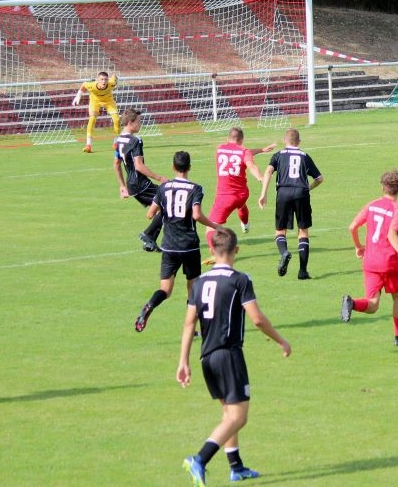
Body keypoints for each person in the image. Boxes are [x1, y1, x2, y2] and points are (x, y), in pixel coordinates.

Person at [178, 227, 291, 486]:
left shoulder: (199, 283)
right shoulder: (240, 280)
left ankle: (236, 467)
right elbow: (257, 319)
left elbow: (188, 324)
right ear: (236, 250)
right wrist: (281, 340)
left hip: (206, 357)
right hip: (228, 354)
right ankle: (200, 459)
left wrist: (183, 361)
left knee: (229, 414)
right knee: (239, 417)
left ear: (211, 252)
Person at [134, 150, 219, 333]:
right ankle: (192, 328)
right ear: (189, 167)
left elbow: (150, 214)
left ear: (173, 167)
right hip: (189, 246)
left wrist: (164, 210)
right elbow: (196, 215)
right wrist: (214, 225)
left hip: (169, 246)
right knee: (193, 288)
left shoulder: (164, 188)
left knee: (165, 289)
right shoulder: (196, 188)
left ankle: (150, 305)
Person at [342, 170, 398, 346]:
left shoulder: (371, 205)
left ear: (383, 187)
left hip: (370, 261)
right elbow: (392, 235)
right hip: (389, 262)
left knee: (373, 304)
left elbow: (352, 227)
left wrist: (358, 246)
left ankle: (352, 303)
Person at [258, 128, 324, 279]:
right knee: (303, 231)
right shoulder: (305, 156)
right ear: (299, 142)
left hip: (283, 192)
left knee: (280, 230)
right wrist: (308, 188)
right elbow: (320, 179)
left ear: (284, 141)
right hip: (301, 192)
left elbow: (268, 172)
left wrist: (263, 194)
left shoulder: (278, 155)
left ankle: (284, 252)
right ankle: (303, 271)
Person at [205, 128, 276, 254]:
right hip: (242, 194)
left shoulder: (220, 148)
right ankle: (245, 224)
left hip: (225, 196)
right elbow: (250, 163)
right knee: (240, 205)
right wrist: (260, 177)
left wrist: (260, 151)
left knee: (210, 228)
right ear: (241, 140)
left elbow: (240, 154)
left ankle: (216, 254)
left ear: (228, 138)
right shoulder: (244, 151)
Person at [113, 107, 167, 252]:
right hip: (141, 183)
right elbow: (138, 166)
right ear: (130, 122)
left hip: (132, 185)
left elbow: (116, 164)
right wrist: (160, 177)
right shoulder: (136, 141)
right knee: (167, 202)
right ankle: (148, 234)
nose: (140, 124)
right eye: (138, 121)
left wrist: (122, 186)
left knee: (160, 208)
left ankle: (151, 242)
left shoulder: (118, 140)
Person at [72, 71, 120, 153]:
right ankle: (88, 146)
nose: (104, 81)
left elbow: (114, 78)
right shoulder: (92, 85)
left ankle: (116, 143)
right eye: (101, 79)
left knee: (117, 120)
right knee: (92, 119)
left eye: (105, 79)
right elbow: (84, 85)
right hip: (95, 101)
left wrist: (115, 77)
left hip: (109, 101)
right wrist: (78, 96)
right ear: (97, 80)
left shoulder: (111, 83)